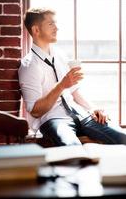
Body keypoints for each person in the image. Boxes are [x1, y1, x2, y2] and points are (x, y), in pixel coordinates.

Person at [18, 8, 126, 146]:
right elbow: (36, 111)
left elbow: (74, 91)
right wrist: (62, 85)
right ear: (36, 30)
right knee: (72, 147)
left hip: (80, 114)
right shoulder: (29, 66)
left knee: (123, 137)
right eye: (51, 24)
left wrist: (92, 108)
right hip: (53, 119)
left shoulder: (60, 55)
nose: (57, 28)